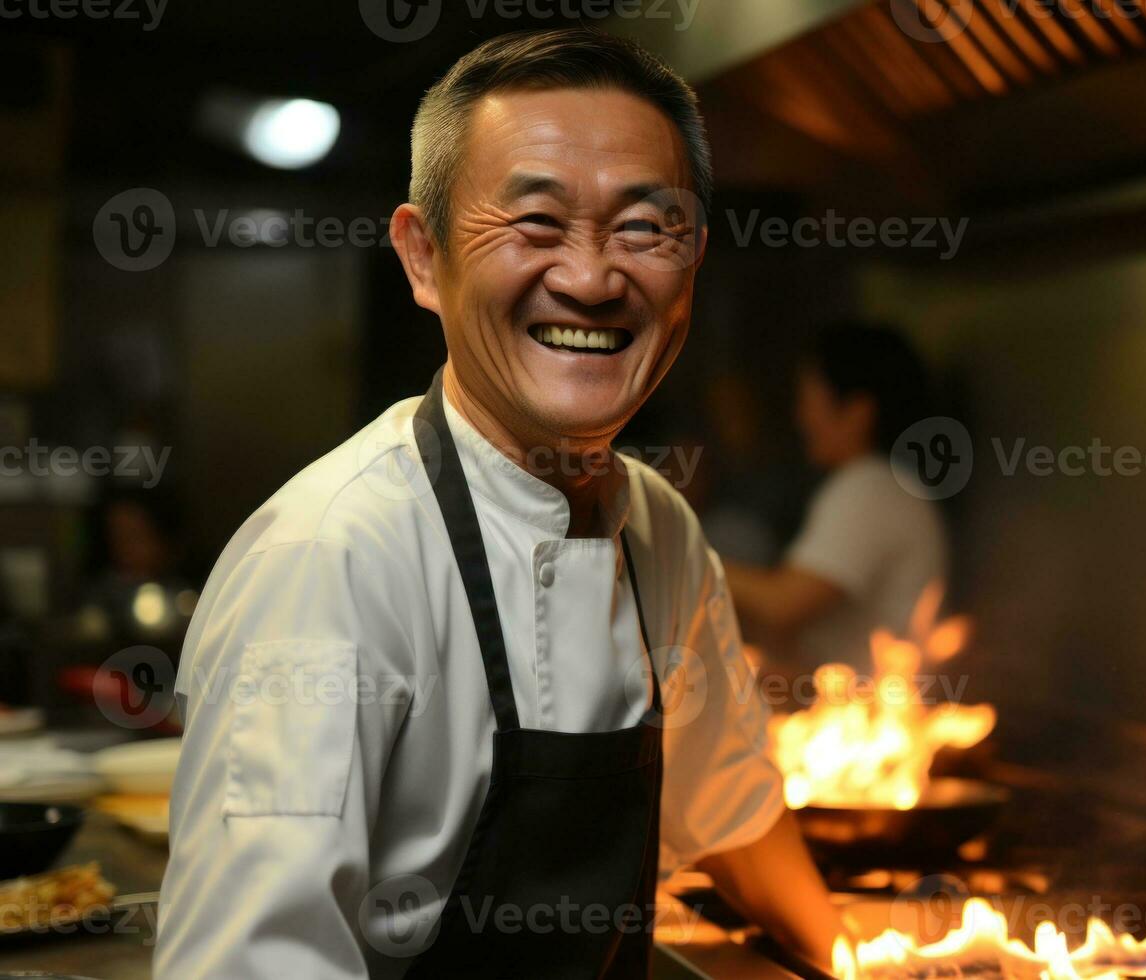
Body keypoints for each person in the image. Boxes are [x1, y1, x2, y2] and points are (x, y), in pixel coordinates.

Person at [156, 29, 842, 979]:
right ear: (424, 257)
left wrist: (860, 965)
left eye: (646, 228)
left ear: (693, 263)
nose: (593, 279)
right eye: (536, 225)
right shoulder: (331, 560)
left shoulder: (661, 529)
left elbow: (733, 814)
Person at [724, 322, 948, 672]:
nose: (800, 417)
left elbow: (784, 604)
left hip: (871, 717)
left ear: (857, 412)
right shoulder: (887, 485)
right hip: (856, 713)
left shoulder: (869, 489)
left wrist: (684, 554)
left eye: (809, 399)